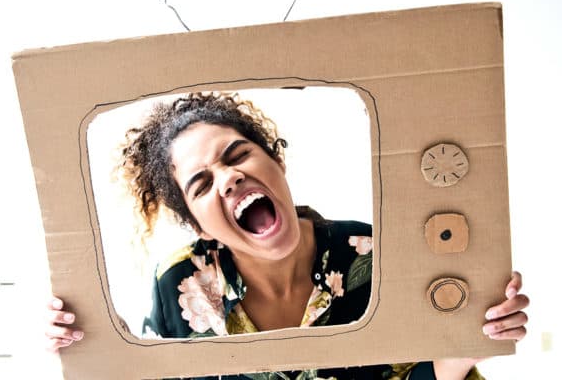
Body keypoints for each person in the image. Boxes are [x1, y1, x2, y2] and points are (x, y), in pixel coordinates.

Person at [44, 92, 530, 380]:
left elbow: (422, 375)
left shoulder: (374, 255)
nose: (227, 178)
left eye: (237, 156)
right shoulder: (178, 282)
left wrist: (466, 346)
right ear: (196, 223)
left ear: (274, 161)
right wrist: (81, 344)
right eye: (201, 183)